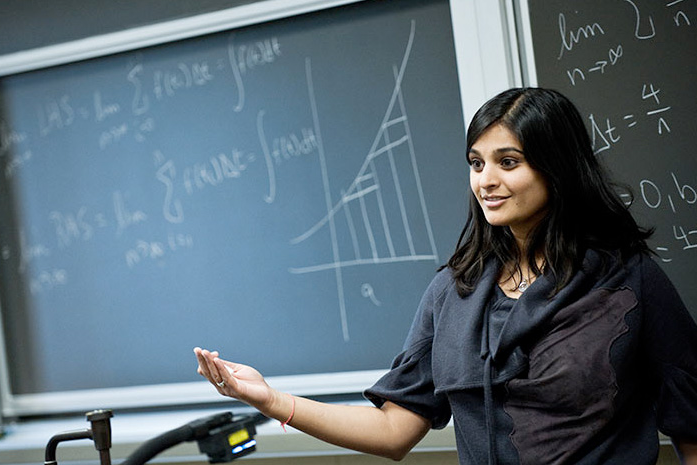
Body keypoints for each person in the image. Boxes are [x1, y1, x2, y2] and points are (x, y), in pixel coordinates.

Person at [194, 87, 697, 464]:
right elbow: (394, 431)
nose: (486, 181)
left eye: (509, 162)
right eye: (476, 163)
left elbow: (693, 427)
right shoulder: (453, 291)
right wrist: (270, 399)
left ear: (557, 169)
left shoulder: (630, 281)